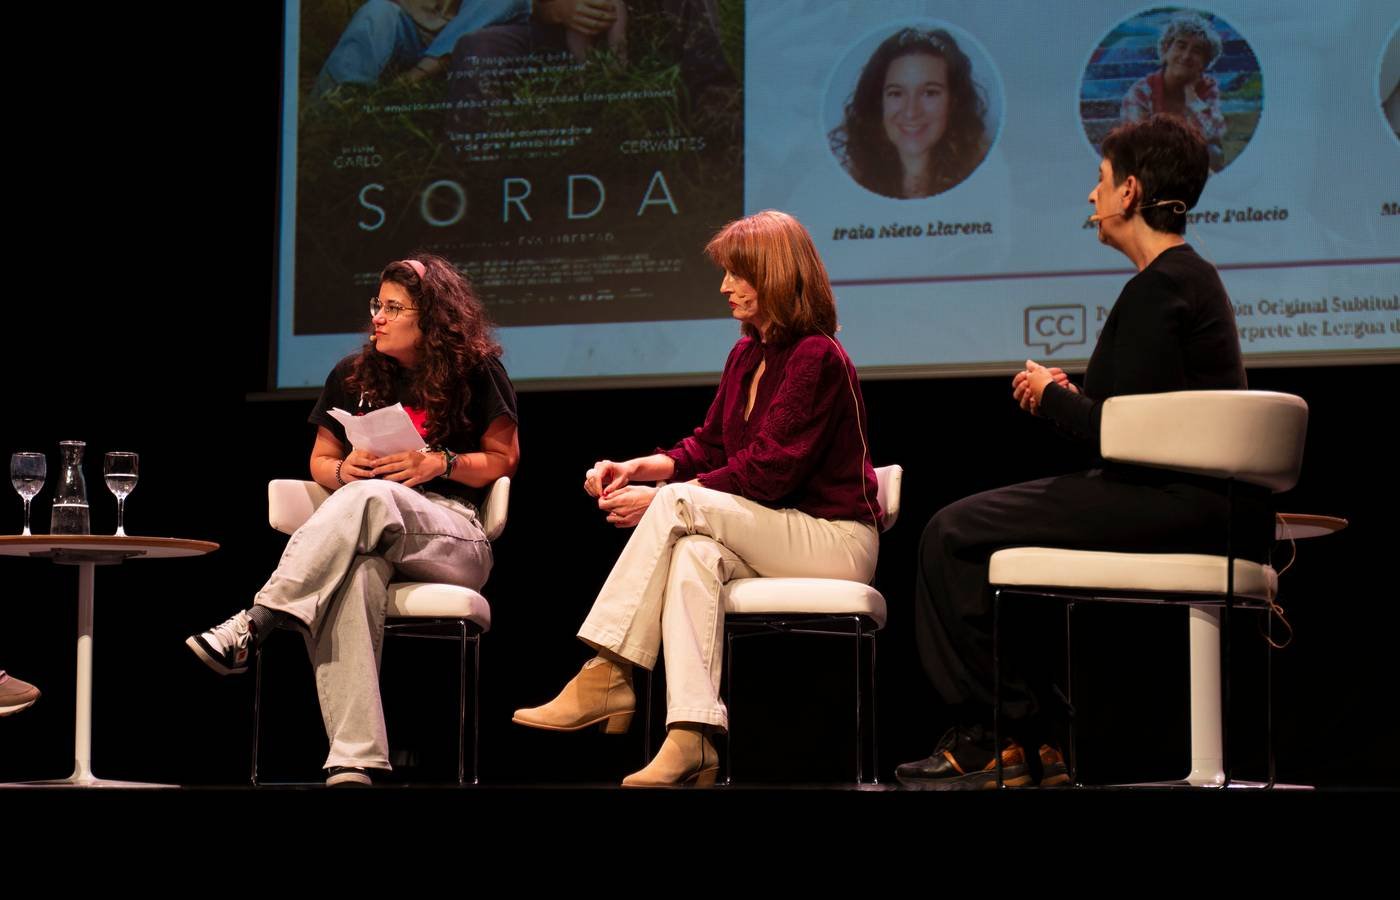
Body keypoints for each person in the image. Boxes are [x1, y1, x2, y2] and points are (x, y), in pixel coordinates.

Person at [896, 114, 1269, 790]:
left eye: (1098, 182)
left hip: (1171, 501)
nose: (1089, 198)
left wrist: (1050, 397)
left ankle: (999, 735)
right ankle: (1029, 738)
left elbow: (1134, 436)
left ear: (1129, 192)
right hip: (1182, 497)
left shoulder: (1162, 285)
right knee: (992, 546)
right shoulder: (1182, 280)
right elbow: (1140, 414)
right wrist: (1073, 397)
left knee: (950, 534)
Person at [512, 210, 881, 788]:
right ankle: (693, 737)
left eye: (737, 274)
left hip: (832, 538)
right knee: (692, 556)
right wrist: (638, 466)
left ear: (776, 275)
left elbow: (766, 476)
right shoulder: (746, 355)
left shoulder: (817, 356)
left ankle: (608, 670)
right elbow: (707, 447)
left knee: (678, 508)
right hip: (772, 530)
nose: (724, 287)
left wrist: (662, 498)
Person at [187, 254, 519, 787]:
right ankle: (354, 759)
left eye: (393, 307)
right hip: (368, 527)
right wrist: (344, 468)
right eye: (376, 305)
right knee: (353, 575)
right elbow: (320, 462)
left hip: (453, 534)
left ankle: (257, 621)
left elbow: (503, 460)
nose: (378, 317)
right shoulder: (352, 375)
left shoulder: (476, 371)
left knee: (368, 500)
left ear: (430, 317)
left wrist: (442, 462)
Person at [830, 27, 990, 199]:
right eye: (896, 93)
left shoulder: (988, 183)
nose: (911, 112)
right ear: (879, 103)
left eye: (930, 92)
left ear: (953, 101)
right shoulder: (839, 188)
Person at [1120, 12, 1228, 171]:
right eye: (1181, 45)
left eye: (1197, 51)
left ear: (1205, 63)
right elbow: (1138, 143)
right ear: (1165, 50)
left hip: (1191, 170)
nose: (1186, 56)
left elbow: (1214, 134)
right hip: (1150, 170)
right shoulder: (1141, 91)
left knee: (1214, 153)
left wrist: (1192, 99)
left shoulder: (1207, 88)